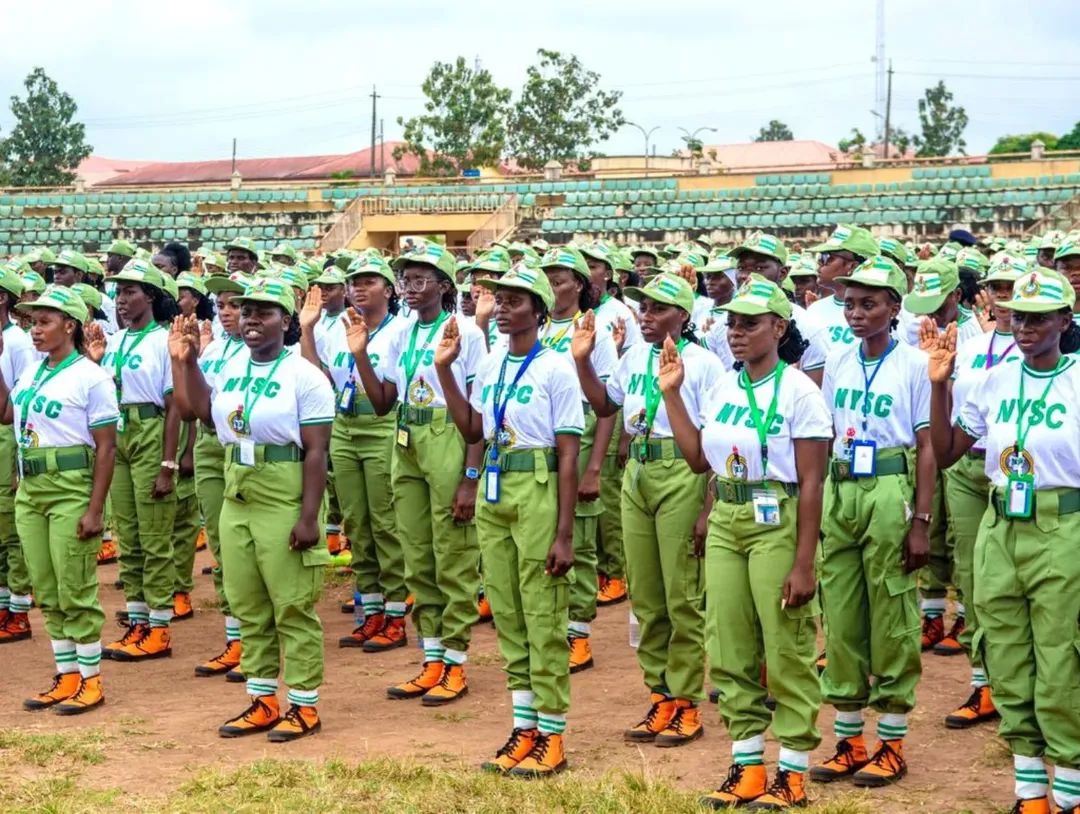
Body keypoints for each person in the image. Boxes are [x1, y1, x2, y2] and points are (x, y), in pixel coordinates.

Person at [658, 274, 827, 809]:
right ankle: (748, 764)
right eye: (731, 322)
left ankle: (793, 769)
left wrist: (804, 563)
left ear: (778, 327)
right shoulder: (724, 386)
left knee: (784, 645)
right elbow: (697, 461)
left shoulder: (801, 390)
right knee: (728, 642)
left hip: (776, 519)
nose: (736, 332)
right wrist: (672, 395)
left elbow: (813, 482)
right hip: (730, 514)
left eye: (749, 323)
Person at [927, 267, 1080, 814]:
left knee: (1061, 657)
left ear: (1066, 319)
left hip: (1062, 525)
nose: (1026, 327)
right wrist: (939, 384)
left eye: (1040, 318)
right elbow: (945, 452)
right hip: (999, 523)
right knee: (1007, 655)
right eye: (1018, 316)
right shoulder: (995, 378)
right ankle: (1029, 792)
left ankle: (1071, 787)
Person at [169, 276, 334, 742]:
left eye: (263, 313)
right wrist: (187, 363)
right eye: (246, 313)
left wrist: (308, 517)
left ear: (287, 321)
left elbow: (318, 452)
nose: (252, 321)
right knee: (247, 601)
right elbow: (201, 410)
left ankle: (303, 703)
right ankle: (262, 699)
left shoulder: (305, 374)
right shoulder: (232, 363)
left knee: (292, 603)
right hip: (235, 484)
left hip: (283, 485)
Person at [435, 264, 583, 777]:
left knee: (542, 610)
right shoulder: (495, 360)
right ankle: (524, 726)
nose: (502, 306)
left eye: (515, 300)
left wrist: (565, 532)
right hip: (497, 486)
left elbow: (569, 454)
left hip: (538, 484)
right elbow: (473, 426)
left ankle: (552, 731)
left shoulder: (556, 369)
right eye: (500, 298)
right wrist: (444, 372)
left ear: (538, 312)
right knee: (507, 608)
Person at [573, 272, 722, 748]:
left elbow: (714, 444)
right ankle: (660, 694)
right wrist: (582, 363)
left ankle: (686, 701)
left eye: (658, 308)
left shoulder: (703, 363)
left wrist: (707, 507)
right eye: (644, 307)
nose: (646, 315)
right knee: (646, 592)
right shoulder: (635, 354)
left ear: (682, 314)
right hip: (639, 469)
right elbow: (604, 406)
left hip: (682, 469)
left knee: (682, 593)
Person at [811, 256, 933, 788]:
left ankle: (892, 740)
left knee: (890, 613)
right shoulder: (838, 359)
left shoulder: (914, 364)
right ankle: (848, 740)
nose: (857, 313)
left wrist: (921, 519)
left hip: (888, 485)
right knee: (840, 613)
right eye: (851, 303)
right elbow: (824, 432)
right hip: (841, 486)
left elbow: (927, 447)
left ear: (894, 308)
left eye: (870, 303)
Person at [350, 242, 486, 705]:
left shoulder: (465, 331)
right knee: (416, 552)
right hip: (405, 436)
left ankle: (455, 661)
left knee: (452, 552)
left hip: (448, 435)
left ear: (445, 285)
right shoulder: (399, 334)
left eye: (421, 279)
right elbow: (384, 400)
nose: (410, 287)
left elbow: (476, 411)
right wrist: (361, 355)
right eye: (406, 279)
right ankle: (431, 658)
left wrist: (470, 475)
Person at [0, 286, 117, 713]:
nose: (35, 329)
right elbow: (9, 417)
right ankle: (66, 674)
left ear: (70, 325)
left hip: (70, 486)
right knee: (46, 588)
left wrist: (95, 508)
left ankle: (91, 680)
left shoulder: (91, 376)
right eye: (31, 322)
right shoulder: (32, 373)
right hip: (32, 489)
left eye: (45, 321)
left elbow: (106, 447)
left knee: (75, 585)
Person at [931, 253, 1025, 732]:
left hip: (1015, 473)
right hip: (967, 465)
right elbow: (951, 405)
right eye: (998, 289)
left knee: (1021, 581)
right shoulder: (970, 345)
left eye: (1013, 289)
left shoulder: (1050, 350)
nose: (1005, 300)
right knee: (973, 577)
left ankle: (1022, 684)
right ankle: (984, 682)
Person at [89, 259, 181, 662]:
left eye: (131, 292)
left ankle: (159, 625)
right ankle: (139, 620)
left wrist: (168, 462)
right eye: (119, 292)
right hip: (120, 434)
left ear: (152, 297)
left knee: (154, 532)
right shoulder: (116, 340)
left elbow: (174, 405)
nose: (122, 299)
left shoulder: (162, 340)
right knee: (128, 532)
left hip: (149, 430)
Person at [321, 254, 410, 651]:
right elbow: (321, 375)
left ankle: (395, 614)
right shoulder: (339, 327)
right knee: (357, 522)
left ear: (388, 291)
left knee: (384, 521)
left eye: (369, 281)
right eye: (354, 281)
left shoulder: (401, 331)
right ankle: (370, 611)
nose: (358, 287)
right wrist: (307, 330)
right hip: (345, 426)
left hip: (381, 425)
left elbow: (389, 398)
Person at [536, 247, 617, 674]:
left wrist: (595, 467)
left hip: (582, 432)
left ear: (580, 285)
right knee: (545, 530)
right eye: (545, 278)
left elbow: (607, 404)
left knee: (579, 538)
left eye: (560, 279)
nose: (551, 287)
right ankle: (552, 624)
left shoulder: (593, 329)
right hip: (541, 440)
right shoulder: (538, 327)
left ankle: (578, 634)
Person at [901, 256, 984, 651]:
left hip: (962, 440)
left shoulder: (975, 334)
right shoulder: (915, 325)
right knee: (930, 527)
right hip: (927, 435)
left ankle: (966, 617)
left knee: (960, 536)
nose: (929, 311)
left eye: (938, 301)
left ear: (956, 295)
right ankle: (932, 615)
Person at [191, 273, 250, 681]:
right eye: (222, 305)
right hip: (209, 448)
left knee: (244, 548)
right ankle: (236, 637)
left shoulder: (263, 352)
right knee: (219, 543)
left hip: (242, 450)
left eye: (236, 305)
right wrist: (189, 360)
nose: (227, 312)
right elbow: (194, 405)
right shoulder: (212, 350)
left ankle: (256, 634)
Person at [580, 240, 641, 607]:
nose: (589, 270)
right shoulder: (579, 313)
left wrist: (623, 434)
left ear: (608, 274)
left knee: (605, 487)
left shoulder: (618, 313)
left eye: (594, 264)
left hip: (608, 406)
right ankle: (602, 565)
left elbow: (623, 374)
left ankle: (615, 570)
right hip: (581, 409)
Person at [0, 266, 36, 645]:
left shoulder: (18, 342)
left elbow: (22, 403)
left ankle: (19, 608)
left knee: (11, 525)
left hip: (8, 436)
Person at [800, 225, 881, 385]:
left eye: (827, 258)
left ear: (851, 266)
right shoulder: (814, 310)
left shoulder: (884, 314)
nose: (820, 265)